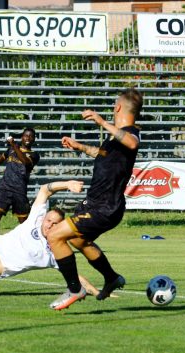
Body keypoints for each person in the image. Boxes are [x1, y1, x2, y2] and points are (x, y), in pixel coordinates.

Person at [46, 88, 144, 311]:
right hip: (96, 203)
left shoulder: (130, 132)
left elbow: (132, 143)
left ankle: (74, 288)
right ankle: (111, 278)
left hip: (105, 207)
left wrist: (101, 121)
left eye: (114, 104)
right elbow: (102, 154)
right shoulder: (113, 138)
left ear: (118, 107)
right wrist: (80, 147)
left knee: (54, 235)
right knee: (79, 240)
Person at [0, 128, 39, 235]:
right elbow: (2, 157)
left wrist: (14, 145)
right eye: (26, 135)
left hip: (19, 190)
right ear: (22, 137)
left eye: (31, 136)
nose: (28, 138)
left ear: (34, 139)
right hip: (4, 188)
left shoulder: (34, 155)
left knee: (24, 223)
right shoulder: (11, 149)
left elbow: (25, 161)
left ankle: (29, 246)